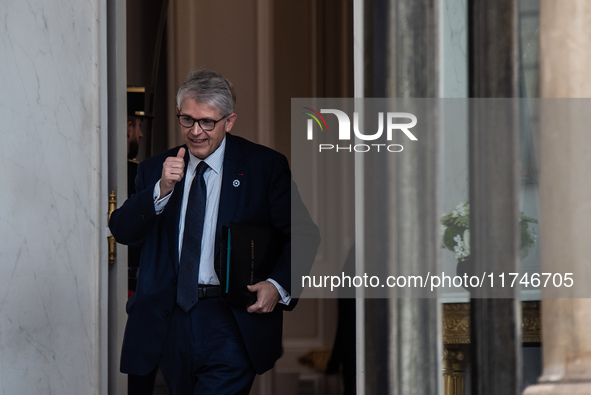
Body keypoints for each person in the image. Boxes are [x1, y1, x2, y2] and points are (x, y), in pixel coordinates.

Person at [109, 68, 319, 394]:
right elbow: (122, 231)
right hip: (162, 323)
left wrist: (277, 286)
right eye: (187, 120)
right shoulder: (155, 169)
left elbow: (304, 235)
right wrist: (160, 190)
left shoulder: (263, 167)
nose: (195, 131)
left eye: (207, 122)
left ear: (229, 121)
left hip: (228, 321)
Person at [126, 87, 159, 394]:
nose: (141, 135)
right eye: (138, 127)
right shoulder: (145, 175)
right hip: (136, 291)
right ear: (128, 128)